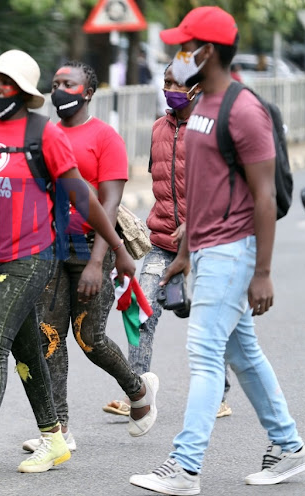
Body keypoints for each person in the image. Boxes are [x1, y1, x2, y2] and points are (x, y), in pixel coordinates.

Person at [0, 49, 150, 484]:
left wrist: (115, 250)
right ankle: (54, 436)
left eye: (5, 82)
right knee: (30, 346)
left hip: (34, 258)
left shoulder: (43, 133)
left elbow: (84, 198)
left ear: (22, 90)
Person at [129, 7, 305, 496]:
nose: (177, 56)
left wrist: (264, 273)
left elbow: (265, 196)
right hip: (206, 249)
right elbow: (203, 190)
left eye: (183, 48)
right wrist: (186, 250)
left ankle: (185, 467)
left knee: (204, 355)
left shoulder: (243, 109)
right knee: (243, 354)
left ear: (205, 52)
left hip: (234, 251)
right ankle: (290, 447)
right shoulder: (200, 107)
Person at [20, 61, 159, 455]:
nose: (60, 88)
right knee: (49, 337)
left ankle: (138, 390)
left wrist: (99, 262)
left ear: (88, 92)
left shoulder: (105, 138)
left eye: (69, 83)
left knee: (90, 338)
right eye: (56, 82)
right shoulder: (44, 135)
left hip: (89, 248)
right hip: (50, 248)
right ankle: (58, 430)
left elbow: (110, 205)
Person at [104, 65, 233, 420]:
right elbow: (161, 184)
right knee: (139, 313)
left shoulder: (211, 128)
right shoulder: (159, 128)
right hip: (162, 240)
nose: (170, 88)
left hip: (208, 241)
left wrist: (194, 224)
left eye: (178, 83)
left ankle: (219, 395)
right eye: (166, 82)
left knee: (209, 320)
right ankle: (137, 392)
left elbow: (224, 188)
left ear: (196, 87)